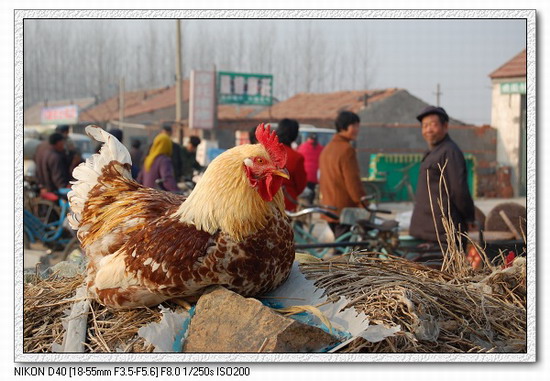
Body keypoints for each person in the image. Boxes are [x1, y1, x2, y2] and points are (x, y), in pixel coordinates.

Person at [409, 106, 475, 246]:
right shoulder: (432, 152)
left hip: (443, 234)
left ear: (445, 126)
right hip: (430, 232)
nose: (428, 130)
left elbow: (459, 191)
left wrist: (469, 218)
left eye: (433, 125)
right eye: (425, 126)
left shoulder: (450, 152)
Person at [319, 111, 366, 239]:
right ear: (344, 127)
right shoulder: (347, 150)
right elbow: (353, 182)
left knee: (340, 248)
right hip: (343, 210)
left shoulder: (327, 148)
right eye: (354, 126)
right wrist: (364, 203)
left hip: (328, 207)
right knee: (345, 251)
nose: (357, 130)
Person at [275, 119, 308, 212]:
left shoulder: (264, 152)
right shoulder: (296, 157)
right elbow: (301, 185)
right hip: (286, 203)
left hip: (262, 204)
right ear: (294, 135)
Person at [297, 133, 324, 205]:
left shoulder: (302, 147)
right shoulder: (321, 149)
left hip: (304, 174)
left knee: (304, 190)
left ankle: (304, 204)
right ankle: (310, 203)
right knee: (312, 189)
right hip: (315, 176)